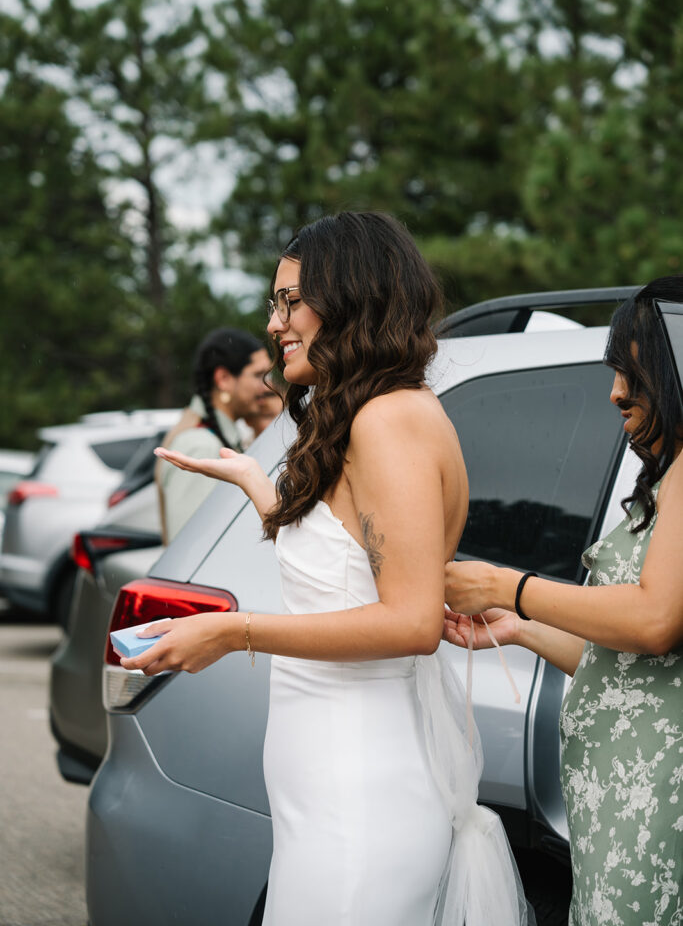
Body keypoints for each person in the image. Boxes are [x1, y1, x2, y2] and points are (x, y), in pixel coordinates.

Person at [122, 212, 530, 926]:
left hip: (359, 799)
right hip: (328, 791)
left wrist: (234, 633)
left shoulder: (389, 421)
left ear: (350, 298)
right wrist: (258, 486)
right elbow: (344, 567)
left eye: (290, 302)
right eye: (273, 303)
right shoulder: (377, 414)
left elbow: (410, 622)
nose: (273, 324)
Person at [443, 275, 683, 926]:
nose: (615, 392)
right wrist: (517, 627)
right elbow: (624, 665)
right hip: (617, 801)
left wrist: (508, 586)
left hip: (656, 799)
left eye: (630, 369)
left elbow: (655, 621)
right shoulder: (667, 477)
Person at [156, 327, 271, 542]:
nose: (267, 386)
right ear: (224, 378)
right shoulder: (199, 445)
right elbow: (191, 545)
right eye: (258, 375)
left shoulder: (211, 437)